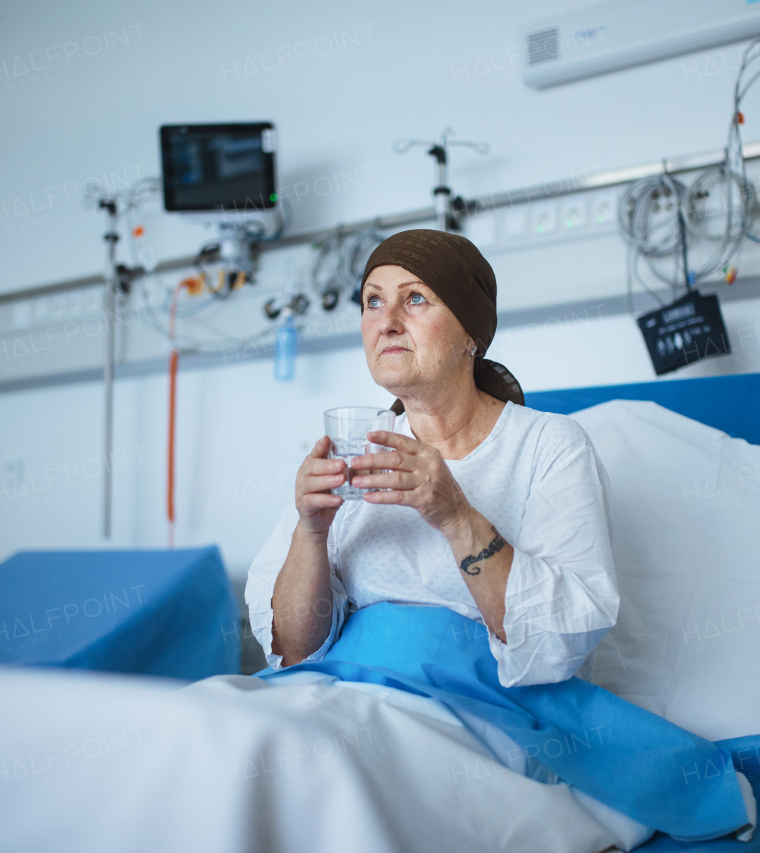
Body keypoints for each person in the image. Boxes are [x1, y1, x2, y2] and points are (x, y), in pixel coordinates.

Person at [245, 229, 619, 688]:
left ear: (471, 334)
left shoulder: (549, 447)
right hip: (348, 694)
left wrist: (456, 515)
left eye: (416, 299)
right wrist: (311, 531)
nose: (386, 322)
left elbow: (557, 644)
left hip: (480, 711)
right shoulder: (354, 456)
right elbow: (294, 654)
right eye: (373, 302)